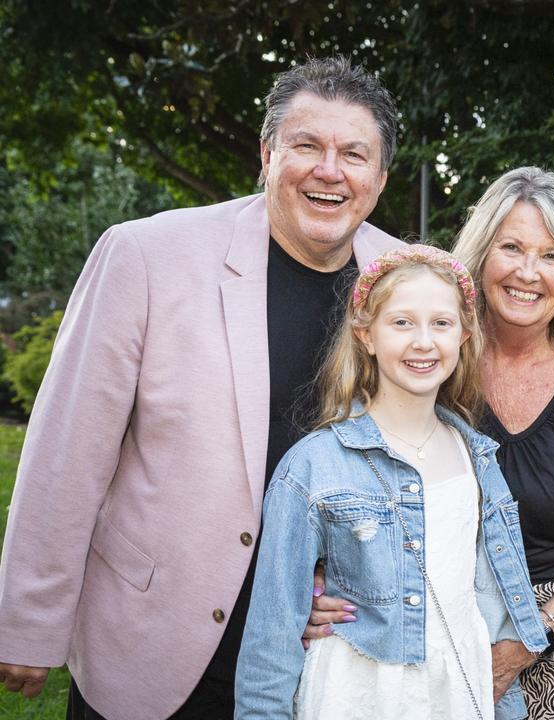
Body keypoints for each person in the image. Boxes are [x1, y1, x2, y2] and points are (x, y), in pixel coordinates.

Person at [0, 56, 403, 719]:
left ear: (379, 180)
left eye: (353, 154)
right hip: (155, 639)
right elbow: (67, 450)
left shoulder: (404, 282)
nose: (329, 170)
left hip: (319, 658)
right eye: (306, 146)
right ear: (267, 154)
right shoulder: (146, 256)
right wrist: (28, 617)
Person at [306, 168, 554, 718]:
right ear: (481, 254)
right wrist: (323, 580)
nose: (528, 273)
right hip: (433, 614)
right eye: (512, 247)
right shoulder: (430, 358)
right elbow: (349, 478)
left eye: (552, 255)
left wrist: (526, 642)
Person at [235, 245, 547, 719]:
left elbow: (490, 607)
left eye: (441, 324)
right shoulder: (313, 468)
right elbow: (272, 636)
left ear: (464, 335)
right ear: (366, 335)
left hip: (456, 690)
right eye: (402, 323)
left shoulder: (477, 459)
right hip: (356, 692)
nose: (423, 342)